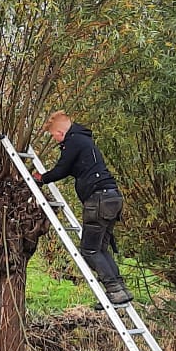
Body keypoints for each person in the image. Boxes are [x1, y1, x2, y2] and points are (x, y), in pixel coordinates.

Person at [35, 112, 132, 306]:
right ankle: (120, 289)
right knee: (100, 249)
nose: (55, 139)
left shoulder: (74, 141)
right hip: (112, 197)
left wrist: (41, 178)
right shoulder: (84, 141)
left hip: (98, 199)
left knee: (89, 250)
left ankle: (114, 290)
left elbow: (62, 169)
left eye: (54, 136)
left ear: (60, 132)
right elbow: (70, 168)